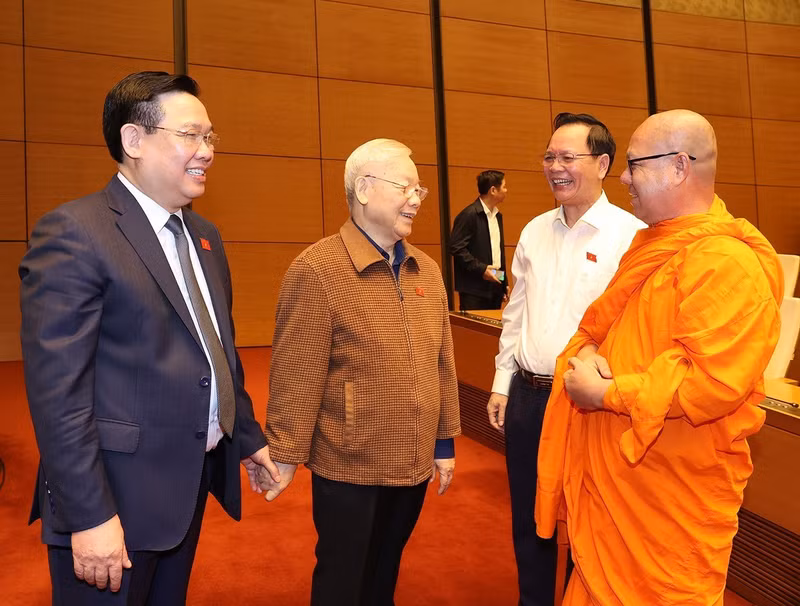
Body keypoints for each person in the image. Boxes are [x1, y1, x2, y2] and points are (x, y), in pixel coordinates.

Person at [19, 71, 280, 605]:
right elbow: (57, 398)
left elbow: (217, 349)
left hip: (184, 490)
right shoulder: (76, 232)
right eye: (190, 135)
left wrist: (246, 435)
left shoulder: (205, 236)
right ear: (133, 140)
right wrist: (89, 516)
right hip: (112, 503)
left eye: (211, 137)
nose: (206, 151)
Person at [535, 109, 784, 605]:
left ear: (678, 167)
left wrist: (604, 392)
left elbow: (710, 385)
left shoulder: (725, 262)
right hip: (616, 494)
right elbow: (600, 328)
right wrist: (585, 353)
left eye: (634, 164)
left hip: (666, 509)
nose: (623, 177)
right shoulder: (653, 245)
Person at [261, 138, 461, 606]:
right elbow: (296, 371)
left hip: (412, 460)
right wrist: (285, 452)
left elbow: (442, 363)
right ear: (365, 189)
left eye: (420, 190)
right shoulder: (317, 269)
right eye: (406, 186)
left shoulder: (426, 270)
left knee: (385, 570)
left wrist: (444, 441)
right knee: (343, 579)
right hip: (349, 463)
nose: (416, 198)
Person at [486, 113, 644, 606]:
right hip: (530, 398)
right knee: (530, 519)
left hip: (589, 405)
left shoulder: (632, 235)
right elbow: (516, 312)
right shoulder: (534, 230)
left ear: (601, 163)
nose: (556, 166)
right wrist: (501, 381)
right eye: (549, 157)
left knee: (587, 520)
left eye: (567, 157)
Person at [450, 169, 509, 310]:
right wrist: (482, 269)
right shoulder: (469, 215)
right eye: (504, 186)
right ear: (493, 190)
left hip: (494, 287)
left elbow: (497, 253)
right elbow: (456, 248)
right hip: (474, 290)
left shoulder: (497, 216)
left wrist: (503, 282)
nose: (507, 190)